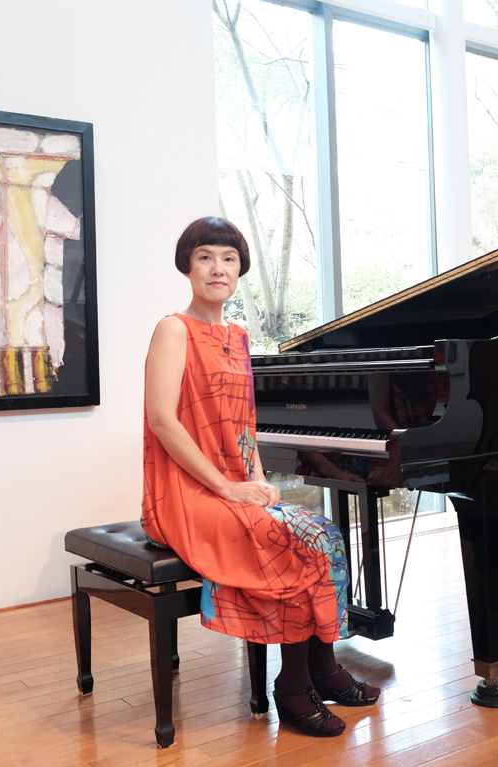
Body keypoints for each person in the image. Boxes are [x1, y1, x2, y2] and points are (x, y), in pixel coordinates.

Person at [141, 216, 380, 737]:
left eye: (228, 259)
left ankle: (323, 668)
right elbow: (162, 420)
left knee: (324, 533)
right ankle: (292, 688)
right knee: (288, 540)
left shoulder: (238, 335)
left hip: (232, 483)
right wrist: (227, 487)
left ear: (240, 269)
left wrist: (257, 479)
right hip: (184, 494)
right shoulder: (173, 329)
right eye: (205, 257)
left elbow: (243, 423)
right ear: (187, 266)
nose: (217, 268)